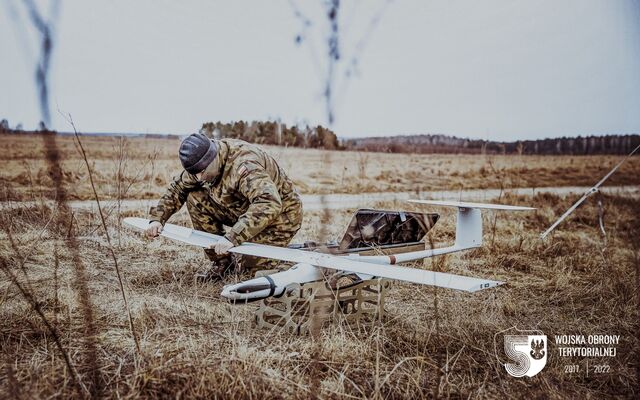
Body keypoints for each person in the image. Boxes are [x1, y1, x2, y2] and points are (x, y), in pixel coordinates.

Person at [145, 133, 303, 281]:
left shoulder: (244, 164)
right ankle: (223, 263)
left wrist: (233, 237)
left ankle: (291, 263)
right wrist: (157, 219)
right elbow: (178, 188)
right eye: (195, 174)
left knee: (251, 275)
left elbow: (269, 203)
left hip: (280, 217)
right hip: (243, 210)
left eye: (201, 172)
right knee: (195, 198)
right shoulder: (200, 166)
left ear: (212, 158)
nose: (199, 178)